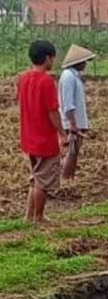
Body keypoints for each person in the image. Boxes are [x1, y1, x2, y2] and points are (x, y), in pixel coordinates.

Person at [17, 41, 68, 223]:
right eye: (53, 57)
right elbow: (52, 111)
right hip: (44, 139)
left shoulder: (23, 78)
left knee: (35, 178)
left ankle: (29, 216)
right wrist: (62, 133)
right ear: (48, 58)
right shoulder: (47, 82)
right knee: (43, 181)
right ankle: (38, 217)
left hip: (28, 137)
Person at [58, 44, 96, 180]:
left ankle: (69, 176)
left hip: (75, 122)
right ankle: (67, 177)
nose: (85, 64)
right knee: (72, 151)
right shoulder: (69, 77)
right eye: (83, 62)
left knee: (74, 151)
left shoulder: (74, 76)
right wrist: (73, 124)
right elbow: (68, 104)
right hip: (72, 123)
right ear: (77, 62)